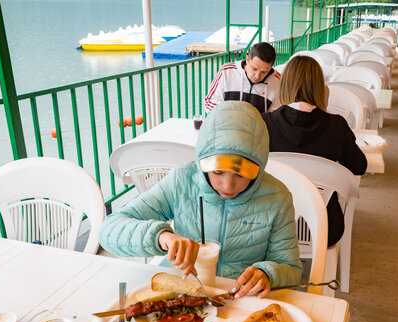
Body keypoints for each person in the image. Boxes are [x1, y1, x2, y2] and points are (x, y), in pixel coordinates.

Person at [99, 101, 302, 298]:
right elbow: (109, 230)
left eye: (240, 175)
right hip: (185, 291)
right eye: (218, 172)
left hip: (240, 297)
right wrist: (162, 237)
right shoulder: (182, 181)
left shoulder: (277, 197)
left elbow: (291, 268)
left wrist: (268, 273)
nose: (227, 186)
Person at [262, 55, 367, 247]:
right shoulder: (336, 126)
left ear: (284, 85)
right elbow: (359, 166)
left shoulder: (263, 124)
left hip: (268, 227)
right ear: (320, 88)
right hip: (323, 227)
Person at [204, 42, 281, 114]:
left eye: (264, 72)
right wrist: (235, 115)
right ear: (247, 59)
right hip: (227, 126)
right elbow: (209, 103)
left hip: (258, 128)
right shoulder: (227, 71)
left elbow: (276, 116)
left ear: (271, 67)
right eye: (254, 69)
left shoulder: (278, 81)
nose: (257, 76)